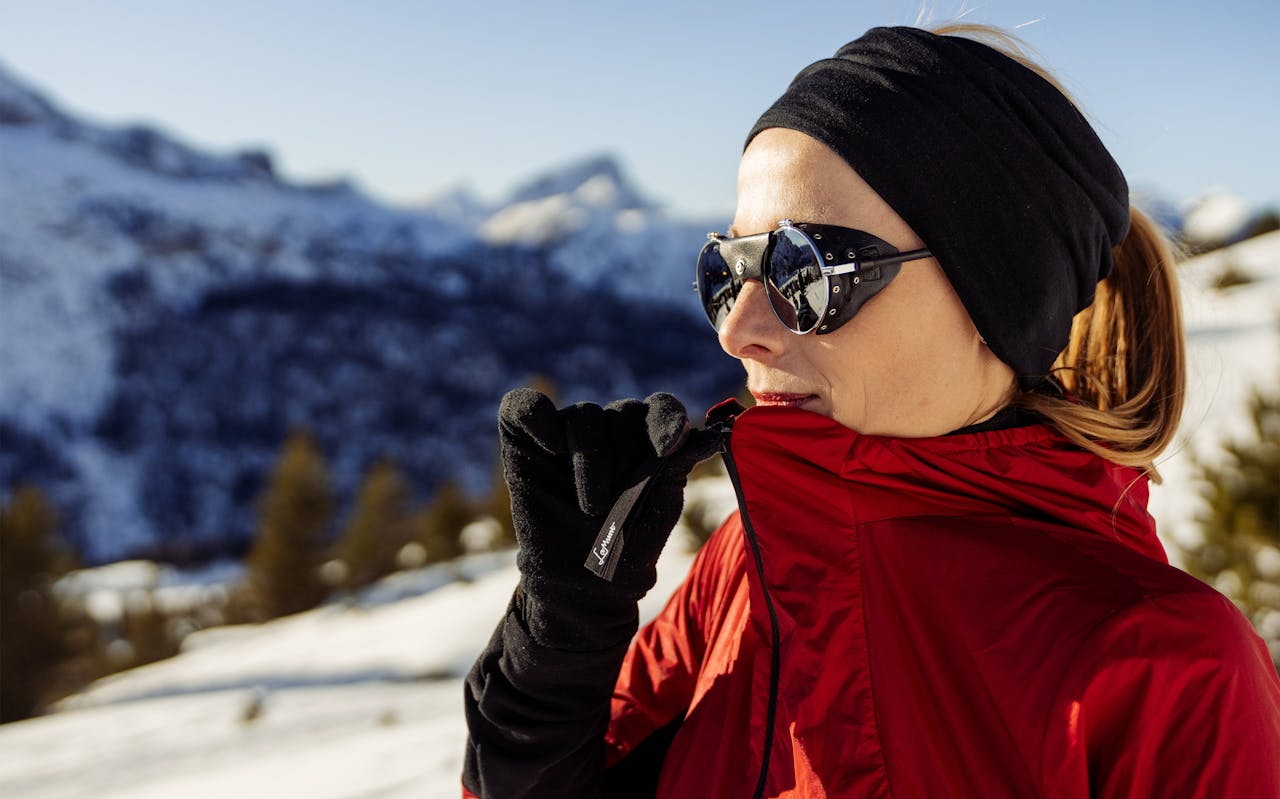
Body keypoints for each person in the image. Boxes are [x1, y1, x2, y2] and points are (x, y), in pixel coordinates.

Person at [461, 22, 1280, 799]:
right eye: (728, 270)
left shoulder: (1173, 669)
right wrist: (559, 648)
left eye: (807, 270)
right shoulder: (748, 564)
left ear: (999, 299)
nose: (738, 331)